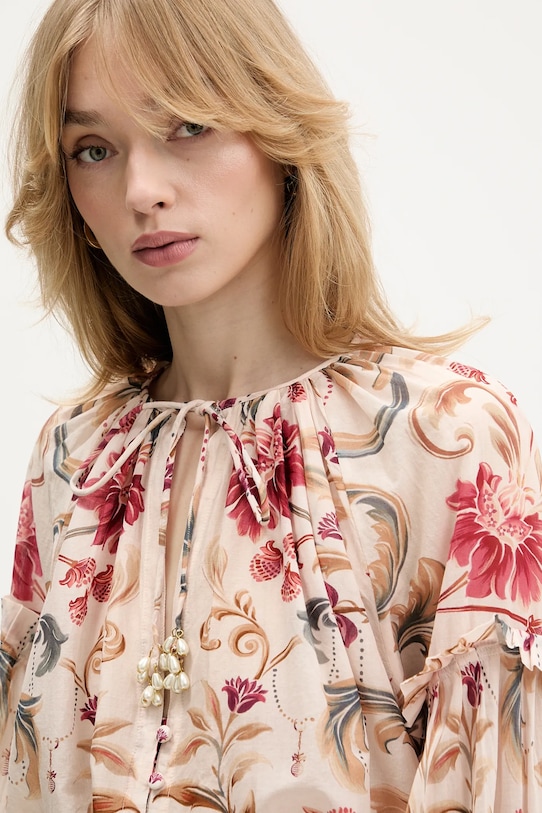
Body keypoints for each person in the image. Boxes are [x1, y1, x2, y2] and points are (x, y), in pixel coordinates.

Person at [1, 0, 541, 810]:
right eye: (95, 149)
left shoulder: (446, 439)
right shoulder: (75, 458)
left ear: (277, 129)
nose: (141, 190)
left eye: (187, 125)